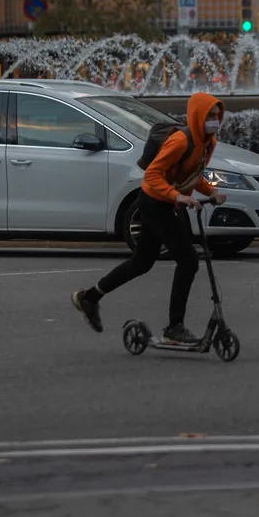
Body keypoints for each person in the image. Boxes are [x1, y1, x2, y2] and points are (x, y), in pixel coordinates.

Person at [71, 92, 228, 345]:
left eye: (218, 115)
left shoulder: (209, 143)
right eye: (210, 114)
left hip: (168, 204)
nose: (215, 120)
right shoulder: (179, 141)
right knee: (188, 261)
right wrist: (177, 196)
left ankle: (89, 297)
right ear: (198, 115)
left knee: (142, 262)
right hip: (154, 203)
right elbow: (152, 176)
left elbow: (192, 173)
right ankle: (174, 328)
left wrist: (212, 192)